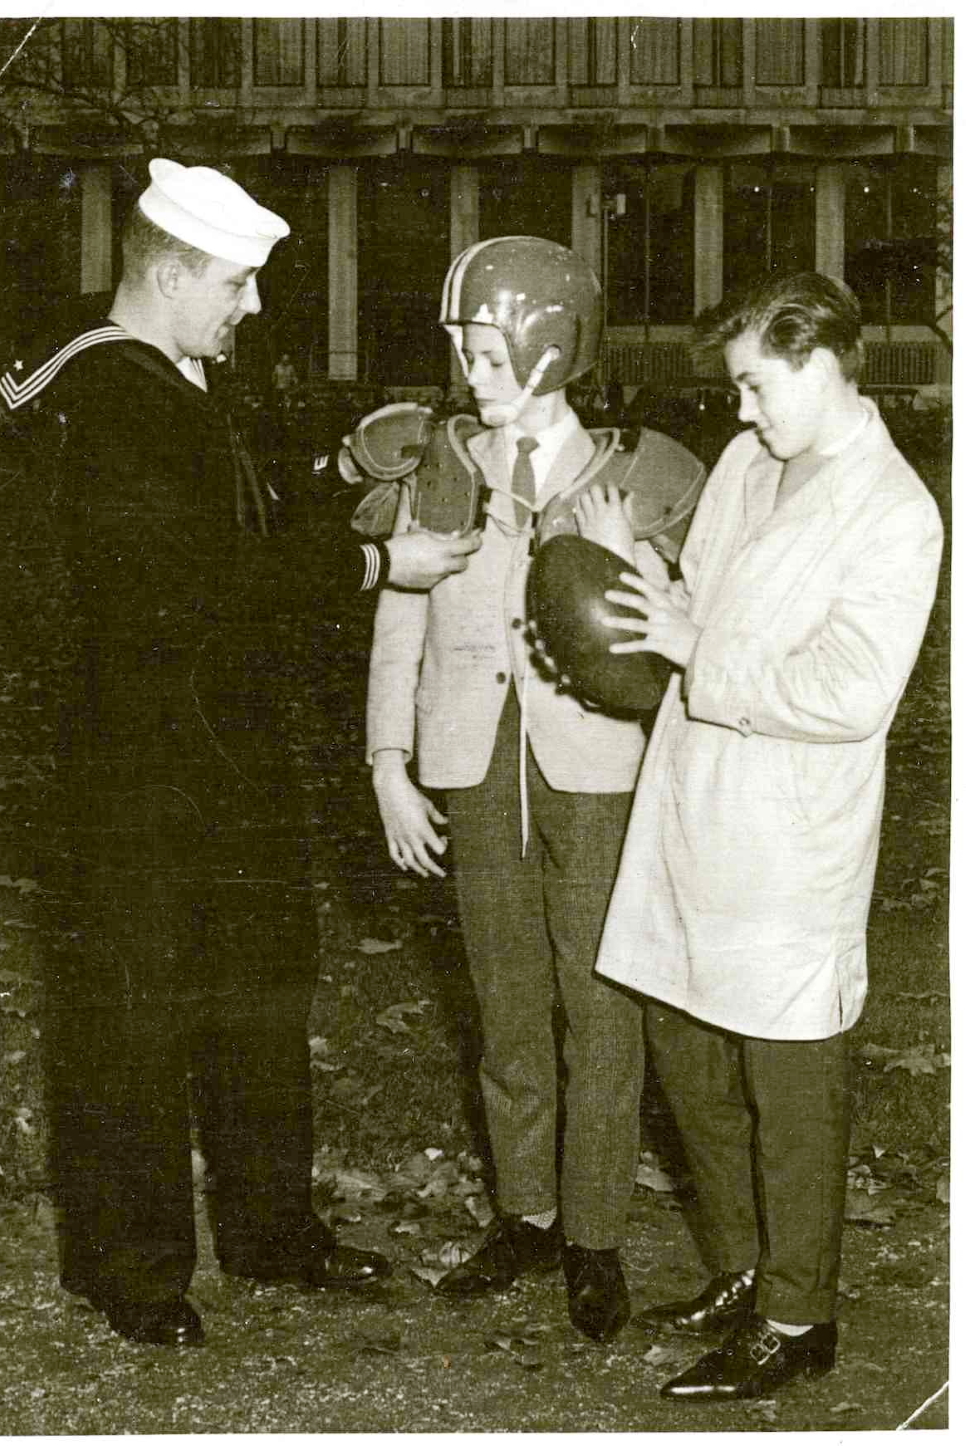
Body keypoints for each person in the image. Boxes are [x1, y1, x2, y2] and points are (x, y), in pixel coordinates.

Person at [0, 157, 479, 1349]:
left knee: (262, 988)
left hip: (230, 749)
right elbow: (188, 579)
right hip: (131, 763)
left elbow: (234, 523)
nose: (254, 305)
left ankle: (274, 1231)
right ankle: (130, 1269)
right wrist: (375, 566)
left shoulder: (178, 378)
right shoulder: (100, 394)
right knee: (133, 1010)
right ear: (169, 272)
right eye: (240, 282)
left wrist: (348, 473)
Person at [578, 271, 943, 1399]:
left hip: (791, 832)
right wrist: (623, 565)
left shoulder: (896, 509)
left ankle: (798, 1317)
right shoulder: (748, 465)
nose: (739, 410)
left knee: (790, 1082)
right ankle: (739, 1265)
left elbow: (849, 693)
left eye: (753, 384)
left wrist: (694, 647)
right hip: (692, 799)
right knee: (686, 1047)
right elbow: (693, 602)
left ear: (824, 359)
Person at [365, 236, 705, 1343]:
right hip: (469, 761)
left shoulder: (638, 468)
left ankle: (595, 1233)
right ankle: (526, 1213)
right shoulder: (437, 459)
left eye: (489, 345)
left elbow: (674, 626)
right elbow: (400, 619)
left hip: (597, 763)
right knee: (504, 1003)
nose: (472, 368)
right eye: (461, 347)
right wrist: (387, 767)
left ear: (552, 341)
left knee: (600, 1007)